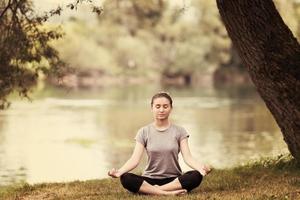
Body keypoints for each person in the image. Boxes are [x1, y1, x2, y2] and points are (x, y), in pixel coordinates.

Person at [108, 91, 211, 196]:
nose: (161, 110)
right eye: (158, 106)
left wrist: (200, 168)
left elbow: (188, 157)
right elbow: (134, 159)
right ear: (152, 108)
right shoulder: (144, 132)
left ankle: (154, 190)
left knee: (196, 176)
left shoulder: (180, 131)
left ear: (171, 108)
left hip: (174, 180)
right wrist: (119, 172)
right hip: (149, 179)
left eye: (165, 106)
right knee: (126, 178)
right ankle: (168, 193)